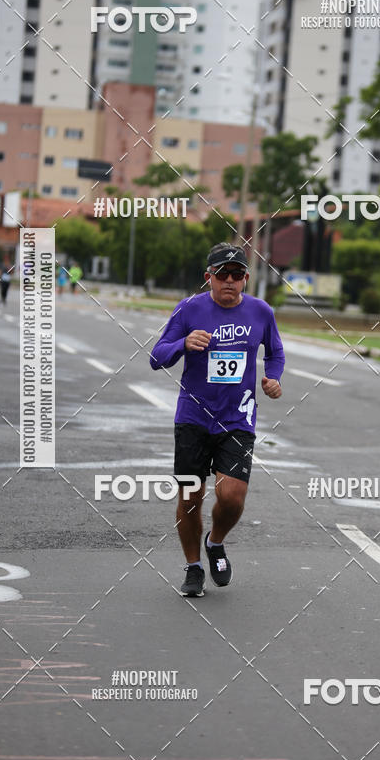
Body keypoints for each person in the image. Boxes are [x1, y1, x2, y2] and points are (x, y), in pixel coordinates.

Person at [150, 242, 285, 597]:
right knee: (191, 497)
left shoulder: (261, 312)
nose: (229, 281)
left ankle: (216, 541)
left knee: (233, 496)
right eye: (221, 274)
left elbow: (276, 353)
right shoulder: (189, 309)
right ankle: (193, 567)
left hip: (238, 419)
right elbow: (156, 356)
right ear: (208, 277)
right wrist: (183, 344)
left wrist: (273, 378)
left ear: (245, 278)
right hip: (193, 417)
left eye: (237, 274)